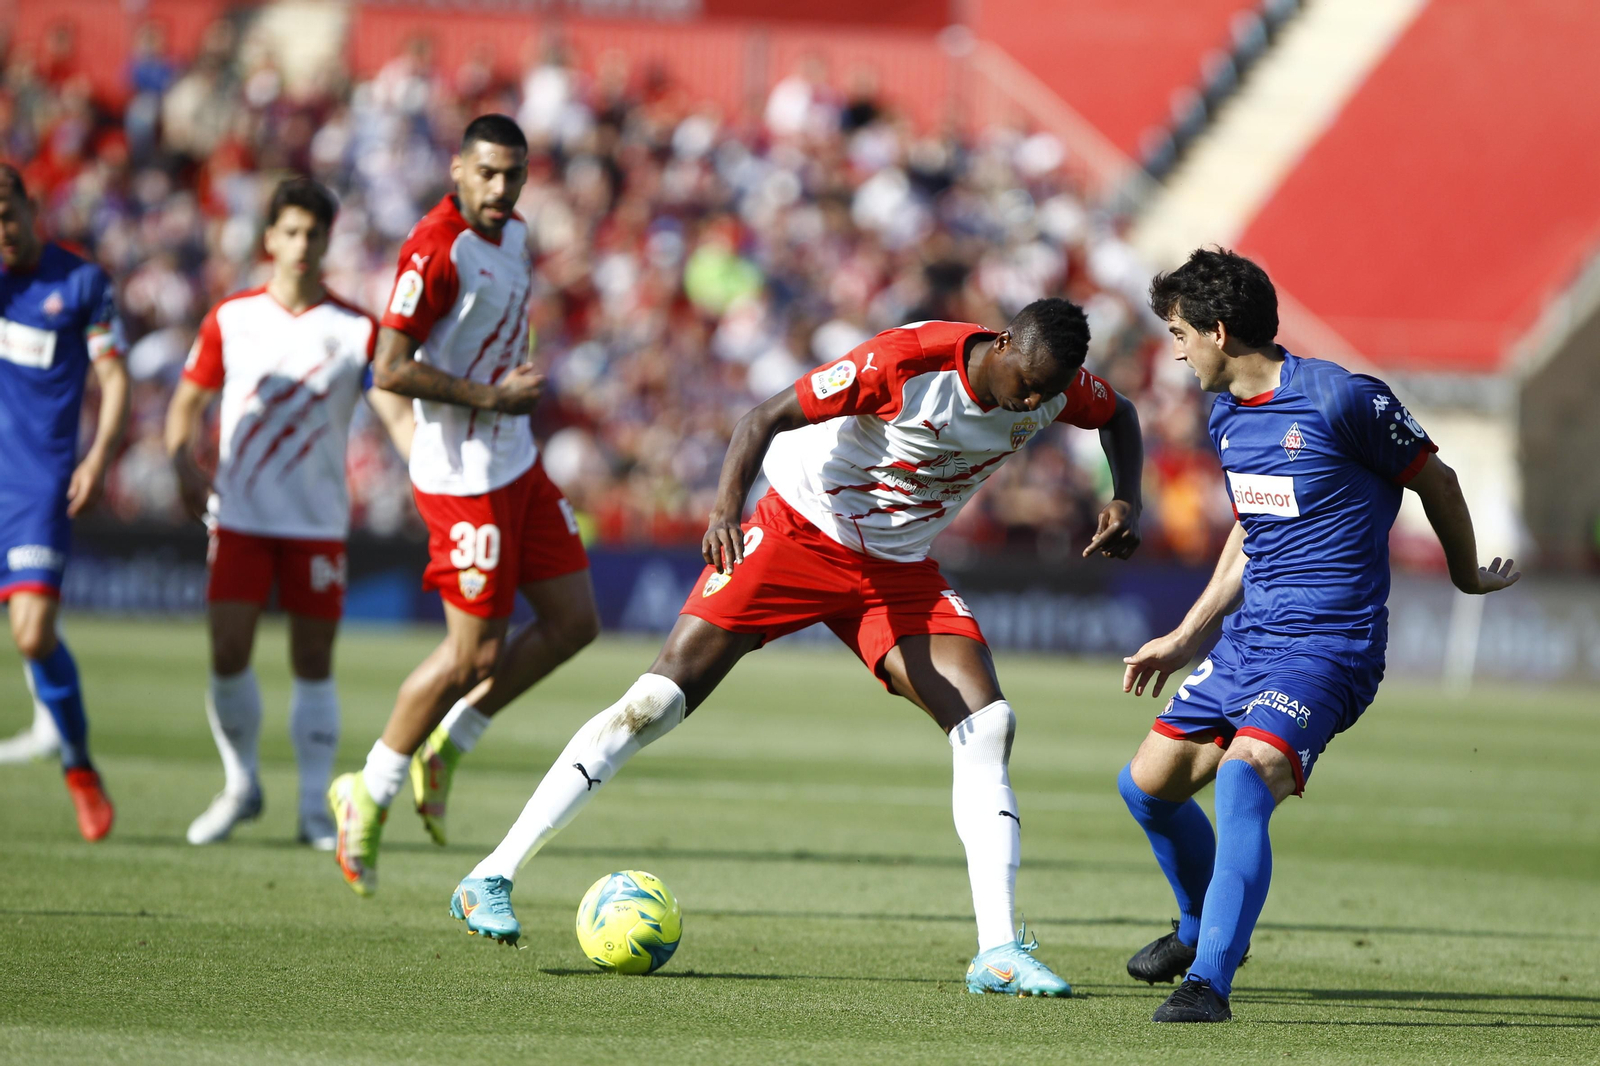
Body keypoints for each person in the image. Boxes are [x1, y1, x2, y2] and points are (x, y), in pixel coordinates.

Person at [448, 302, 1146, 998]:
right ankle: (491, 875)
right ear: (1002, 343)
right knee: (656, 700)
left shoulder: (1056, 390)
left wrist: (1127, 500)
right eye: (1026, 383)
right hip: (799, 532)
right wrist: (725, 511)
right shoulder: (903, 363)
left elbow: (1120, 415)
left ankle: (997, 951)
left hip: (898, 569)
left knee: (989, 724)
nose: (1031, 402)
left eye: (1047, 392)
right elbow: (763, 418)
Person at [1117, 249, 1519, 1022]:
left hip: (1331, 645)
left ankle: (1209, 982)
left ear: (1218, 331)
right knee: (1146, 788)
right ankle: (1200, 927)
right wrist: (1188, 634)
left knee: (1244, 778)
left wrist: (1466, 575)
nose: (1176, 351)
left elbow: (1437, 481)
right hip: (1250, 640)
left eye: (1179, 333)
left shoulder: (1341, 398)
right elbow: (1253, 529)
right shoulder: (1226, 414)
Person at [327, 114, 600, 895]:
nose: (500, 188)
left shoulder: (516, 235)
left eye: (512, 174)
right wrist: (491, 396)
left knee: (575, 622)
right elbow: (389, 367)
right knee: (469, 657)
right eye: (487, 172)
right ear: (457, 169)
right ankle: (370, 789)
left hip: (516, 460)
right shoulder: (434, 249)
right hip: (462, 476)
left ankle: (448, 745)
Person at [164, 177, 414, 849]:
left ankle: (311, 808)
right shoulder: (232, 317)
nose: (303, 244)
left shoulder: (356, 329)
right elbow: (186, 403)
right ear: (270, 238)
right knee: (227, 650)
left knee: (313, 660)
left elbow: (395, 416)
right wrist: (181, 464)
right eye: (292, 231)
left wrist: (428, 476)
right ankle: (241, 784)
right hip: (240, 516)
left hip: (316, 523)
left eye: (314, 233)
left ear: (328, 242)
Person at [0, 164, 129, 840]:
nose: (1, 231)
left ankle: (77, 762)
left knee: (32, 633)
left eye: (6, 215)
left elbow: (114, 376)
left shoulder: (80, 283)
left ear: (30, 208)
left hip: (36, 485)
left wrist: (98, 456)